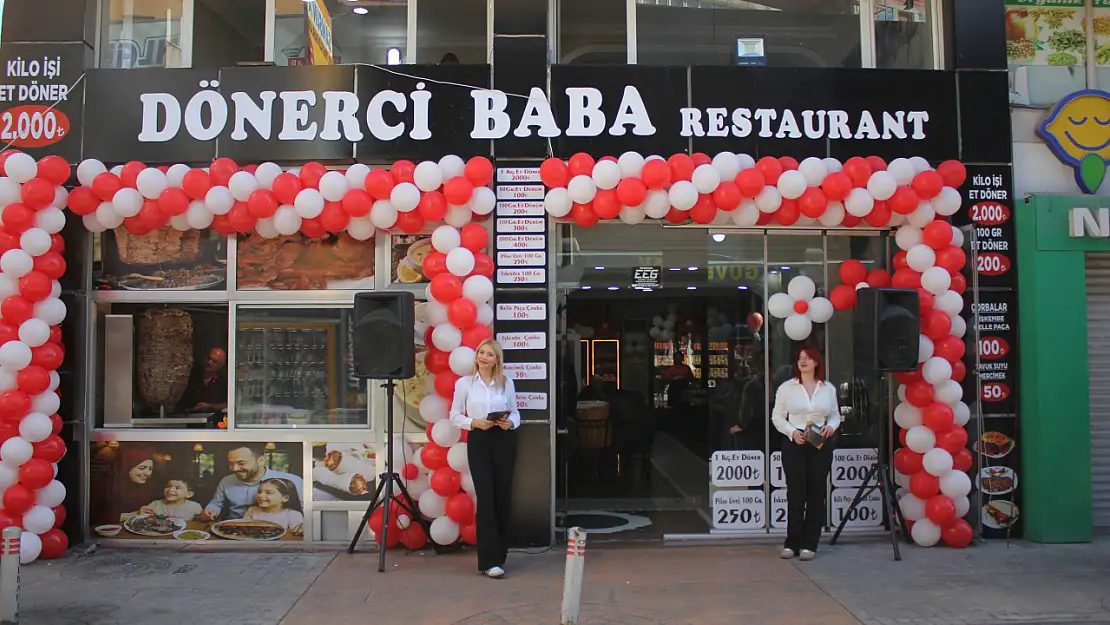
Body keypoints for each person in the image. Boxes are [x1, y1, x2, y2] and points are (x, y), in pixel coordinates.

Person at [449, 339, 520, 579]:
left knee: (502, 496)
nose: (483, 357)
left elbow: (515, 412)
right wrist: (474, 423)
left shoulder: (506, 383)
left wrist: (511, 423)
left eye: (489, 354)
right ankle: (489, 561)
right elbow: (454, 415)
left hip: (504, 438)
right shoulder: (465, 383)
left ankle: (500, 556)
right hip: (479, 439)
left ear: (497, 359)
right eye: (481, 352)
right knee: (486, 496)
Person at [771, 347, 839, 561]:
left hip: (819, 441)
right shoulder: (787, 388)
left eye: (808, 358)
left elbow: (835, 415)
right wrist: (791, 432)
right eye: (800, 358)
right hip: (795, 441)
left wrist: (831, 427)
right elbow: (777, 417)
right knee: (795, 492)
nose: (803, 361)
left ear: (816, 362)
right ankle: (792, 542)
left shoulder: (828, 388)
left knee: (816, 492)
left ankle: (810, 543)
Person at [198, 445, 303, 521]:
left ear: (261, 461)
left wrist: (305, 525)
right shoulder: (226, 481)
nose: (234, 469)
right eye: (231, 464)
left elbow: (306, 510)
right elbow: (216, 504)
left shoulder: (291, 481)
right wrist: (210, 511)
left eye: (241, 463)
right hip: (233, 530)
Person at [93, 445, 156, 524]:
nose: (148, 473)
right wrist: (134, 514)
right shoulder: (103, 485)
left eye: (150, 468)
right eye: (142, 468)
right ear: (125, 468)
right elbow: (93, 517)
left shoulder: (144, 485)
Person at [181, 347, 228, 413]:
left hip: (214, 416)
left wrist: (210, 406)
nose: (209, 362)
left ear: (220, 365)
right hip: (188, 415)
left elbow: (230, 404)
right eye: (209, 358)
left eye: (214, 361)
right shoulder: (191, 374)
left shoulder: (224, 379)